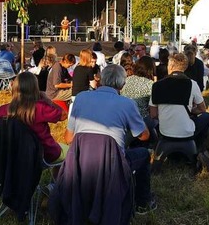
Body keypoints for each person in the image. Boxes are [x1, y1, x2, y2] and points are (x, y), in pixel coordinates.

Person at [66, 65, 156, 213]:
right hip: (113, 163)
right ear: (122, 84)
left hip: (82, 160)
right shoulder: (127, 104)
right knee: (143, 154)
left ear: (100, 79)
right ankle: (142, 202)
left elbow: (69, 138)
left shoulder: (81, 98)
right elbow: (144, 135)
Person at [0, 72, 67, 171]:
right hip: (44, 153)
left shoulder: (2, 110)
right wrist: (48, 100)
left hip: (12, 154)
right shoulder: (40, 107)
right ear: (35, 88)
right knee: (72, 152)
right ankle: (55, 184)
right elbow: (64, 115)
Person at [149, 53, 209, 153]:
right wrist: (190, 109)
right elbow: (202, 109)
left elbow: (153, 114)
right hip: (186, 132)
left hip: (164, 131)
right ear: (185, 68)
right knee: (207, 116)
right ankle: (198, 146)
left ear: (170, 66)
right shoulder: (192, 84)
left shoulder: (157, 85)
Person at [122, 56, 158, 147]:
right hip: (141, 120)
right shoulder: (150, 85)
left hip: (124, 117)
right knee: (156, 121)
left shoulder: (126, 80)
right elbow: (153, 110)